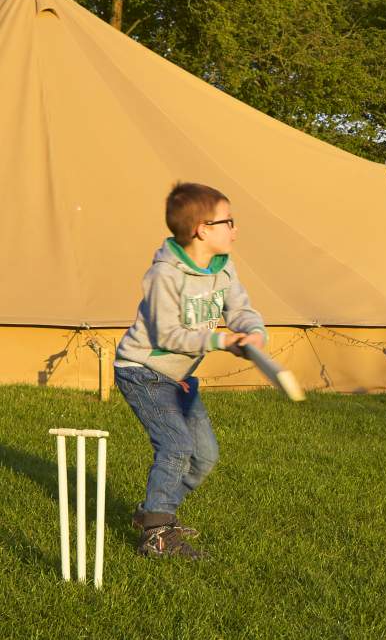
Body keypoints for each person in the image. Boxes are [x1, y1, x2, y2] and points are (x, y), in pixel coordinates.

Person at [113, 182, 266, 559]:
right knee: (176, 446)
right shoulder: (165, 275)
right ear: (202, 229)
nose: (236, 229)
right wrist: (220, 342)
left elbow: (240, 308)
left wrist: (252, 331)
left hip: (179, 375)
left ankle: (154, 512)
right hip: (143, 370)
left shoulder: (223, 268)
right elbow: (167, 333)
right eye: (228, 221)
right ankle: (157, 535)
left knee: (204, 456)